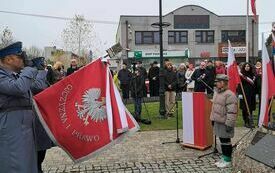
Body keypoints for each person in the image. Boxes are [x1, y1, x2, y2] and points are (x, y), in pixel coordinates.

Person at [0, 42, 48, 173]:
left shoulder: (16, 76)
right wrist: (29, 68)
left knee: (28, 166)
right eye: (20, 56)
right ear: (9, 59)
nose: (23, 59)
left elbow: (39, 87)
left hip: (25, 130)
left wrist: (37, 71)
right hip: (11, 130)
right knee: (14, 166)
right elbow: (18, 88)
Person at [210, 74, 238, 168]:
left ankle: (227, 160)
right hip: (218, 121)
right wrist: (212, 119)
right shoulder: (217, 92)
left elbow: (232, 111)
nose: (216, 84)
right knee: (222, 140)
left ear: (222, 83)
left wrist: (229, 123)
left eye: (217, 82)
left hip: (225, 122)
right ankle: (224, 157)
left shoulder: (230, 95)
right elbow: (214, 107)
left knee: (226, 141)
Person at [238, 62, 256, 128]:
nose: (247, 67)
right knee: (245, 108)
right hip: (244, 94)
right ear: (244, 67)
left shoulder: (253, 75)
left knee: (250, 108)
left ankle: (250, 121)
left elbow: (254, 85)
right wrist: (240, 94)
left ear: (250, 67)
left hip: (251, 94)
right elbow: (239, 85)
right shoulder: (242, 75)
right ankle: (246, 121)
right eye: (246, 66)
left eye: (248, 66)